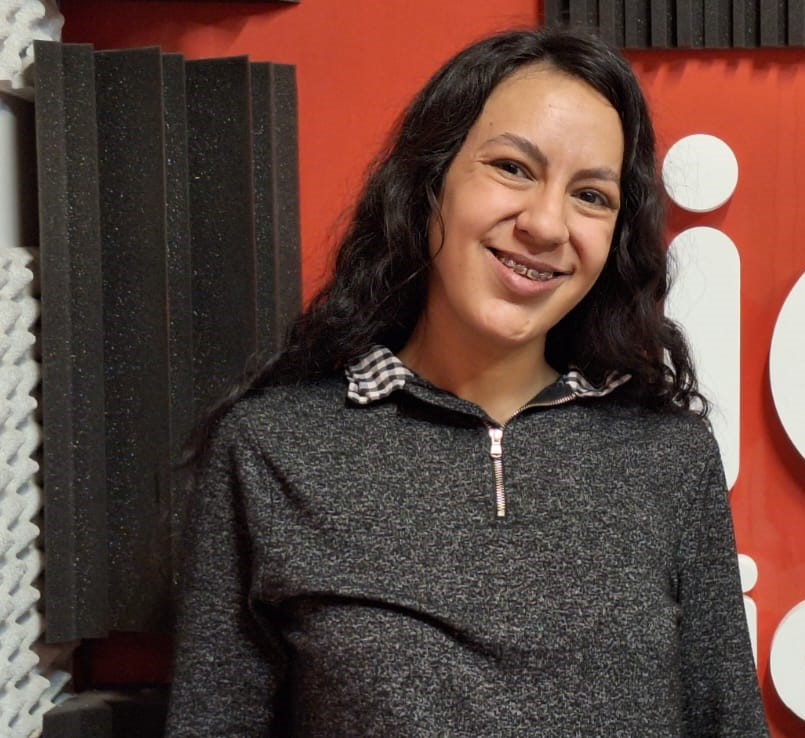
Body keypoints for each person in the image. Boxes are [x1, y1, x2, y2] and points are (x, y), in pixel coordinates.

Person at [165, 27, 768, 737]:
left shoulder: (668, 457)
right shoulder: (271, 450)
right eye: (512, 168)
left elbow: (727, 723)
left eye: (591, 196)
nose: (547, 224)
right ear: (430, 186)